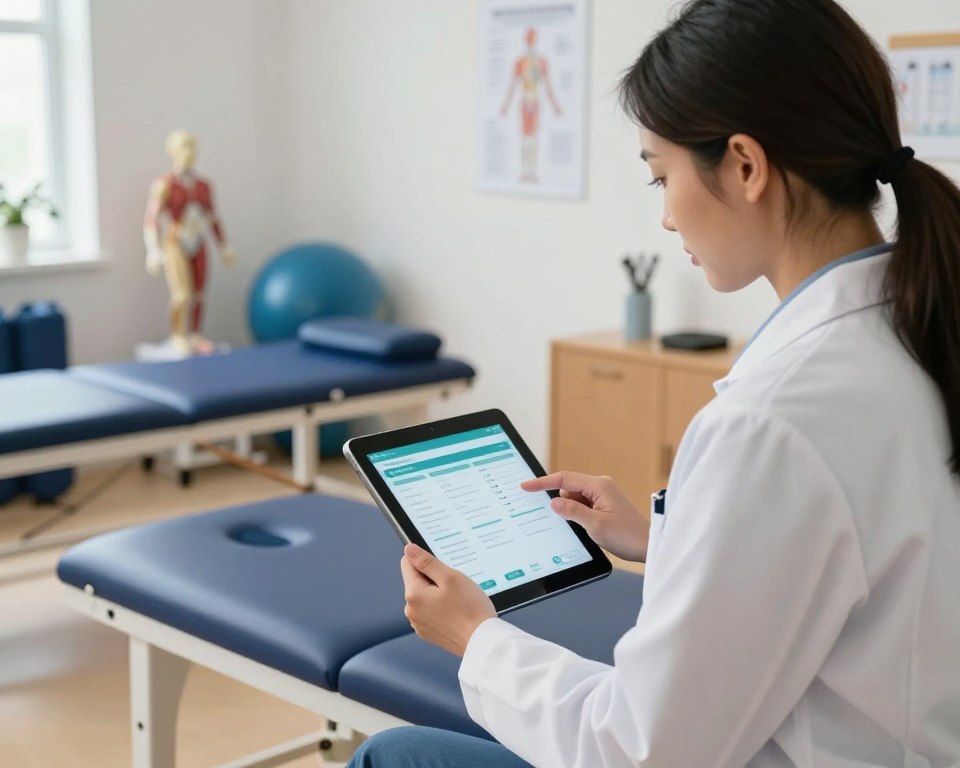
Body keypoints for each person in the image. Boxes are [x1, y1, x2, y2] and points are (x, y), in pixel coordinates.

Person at [350, 0, 960, 765]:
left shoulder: (774, 421)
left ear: (744, 165)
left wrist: (476, 638)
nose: (667, 219)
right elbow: (858, 561)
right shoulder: (921, 327)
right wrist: (665, 537)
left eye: (659, 175)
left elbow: (638, 750)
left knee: (392, 756)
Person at [143, 130, 235, 356]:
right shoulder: (164, 184)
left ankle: (195, 334)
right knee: (181, 294)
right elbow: (151, 220)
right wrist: (153, 250)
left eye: (193, 148)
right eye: (184, 148)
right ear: (174, 152)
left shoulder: (203, 185)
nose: (190, 153)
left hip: (198, 240)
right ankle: (177, 335)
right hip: (176, 240)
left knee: (199, 292)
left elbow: (212, 217)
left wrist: (224, 246)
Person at [500, 27, 562, 183]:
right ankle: (525, 171)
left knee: (533, 139)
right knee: (524, 138)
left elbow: (548, 85)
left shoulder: (541, 62)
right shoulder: (520, 62)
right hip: (524, 102)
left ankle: (532, 171)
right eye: (529, 38)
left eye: (532, 38)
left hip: (534, 102)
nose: (530, 40)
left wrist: (555, 105)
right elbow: (512, 85)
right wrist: (506, 105)